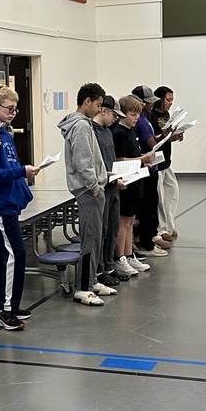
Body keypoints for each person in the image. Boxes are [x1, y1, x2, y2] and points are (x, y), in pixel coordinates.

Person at [0, 86, 42, 330]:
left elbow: (9, 166)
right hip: (0, 204)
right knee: (16, 253)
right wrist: (22, 171)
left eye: (16, 109)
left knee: (5, 253)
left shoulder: (7, 134)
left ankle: (2, 304)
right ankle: (6, 309)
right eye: (9, 108)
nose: (13, 113)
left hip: (10, 201)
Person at [59, 83, 111, 306]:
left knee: (97, 236)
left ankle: (92, 280)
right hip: (89, 190)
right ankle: (83, 288)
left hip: (94, 187)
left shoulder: (86, 124)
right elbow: (83, 161)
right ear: (87, 101)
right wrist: (94, 185)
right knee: (89, 238)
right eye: (98, 105)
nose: (100, 110)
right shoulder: (80, 126)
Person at [112, 95, 151, 278]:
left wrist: (144, 161)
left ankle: (129, 254)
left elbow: (134, 156)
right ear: (122, 114)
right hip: (125, 182)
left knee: (130, 221)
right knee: (123, 221)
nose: (136, 118)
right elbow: (120, 160)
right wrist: (141, 159)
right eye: (132, 114)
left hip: (136, 180)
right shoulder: (119, 133)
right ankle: (120, 257)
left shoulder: (132, 131)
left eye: (138, 114)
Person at [131, 85, 169, 256]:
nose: (152, 105)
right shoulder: (140, 121)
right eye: (148, 102)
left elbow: (154, 139)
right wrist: (165, 139)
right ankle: (146, 242)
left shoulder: (145, 118)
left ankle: (151, 236)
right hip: (145, 168)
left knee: (153, 203)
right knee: (147, 206)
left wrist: (166, 135)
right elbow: (151, 144)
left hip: (152, 166)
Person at [92, 95, 125, 287]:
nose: (115, 119)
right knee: (102, 231)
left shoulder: (107, 131)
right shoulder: (92, 132)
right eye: (114, 114)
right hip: (103, 186)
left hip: (114, 185)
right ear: (103, 110)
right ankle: (99, 269)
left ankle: (109, 264)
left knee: (113, 228)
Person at [151, 86, 182, 245]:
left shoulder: (166, 114)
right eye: (168, 100)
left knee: (172, 191)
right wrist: (167, 136)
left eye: (172, 100)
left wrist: (175, 136)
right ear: (160, 99)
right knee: (160, 197)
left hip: (166, 160)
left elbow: (166, 136)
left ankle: (169, 225)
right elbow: (155, 138)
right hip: (157, 160)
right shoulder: (151, 115)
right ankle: (161, 229)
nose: (170, 103)